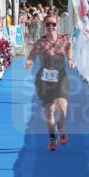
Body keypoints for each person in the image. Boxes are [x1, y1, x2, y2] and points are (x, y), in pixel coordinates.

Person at [26, 13, 75, 151]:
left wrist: (70, 60)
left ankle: (61, 127)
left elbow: (69, 48)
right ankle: (52, 139)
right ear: (44, 25)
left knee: (63, 109)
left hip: (61, 77)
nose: (51, 27)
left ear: (57, 24)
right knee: (49, 111)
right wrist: (30, 61)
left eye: (53, 24)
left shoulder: (64, 40)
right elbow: (32, 53)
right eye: (48, 24)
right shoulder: (40, 42)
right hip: (44, 79)